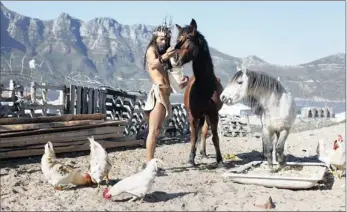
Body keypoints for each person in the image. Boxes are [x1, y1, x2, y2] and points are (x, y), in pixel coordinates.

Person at [142, 21, 189, 171]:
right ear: (155, 38)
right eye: (161, 39)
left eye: (166, 39)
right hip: (158, 92)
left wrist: (184, 79)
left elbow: (175, 75)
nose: (163, 41)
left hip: (166, 94)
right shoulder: (152, 50)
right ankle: (149, 164)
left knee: (156, 131)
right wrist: (165, 56)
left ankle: (151, 163)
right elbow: (153, 64)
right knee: (153, 130)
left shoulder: (165, 55)